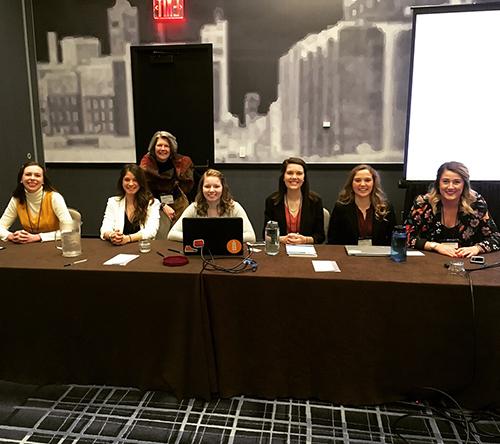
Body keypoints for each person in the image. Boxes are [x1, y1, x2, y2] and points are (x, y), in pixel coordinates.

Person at [406, 161, 500, 257]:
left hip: (464, 262)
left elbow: (496, 238)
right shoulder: (423, 203)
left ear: (464, 185)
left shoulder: (476, 204)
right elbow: (404, 237)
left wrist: (476, 248)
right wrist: (435, 246)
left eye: (457, 182)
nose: (450, 187)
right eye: (445, 181)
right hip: (429, 261)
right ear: (438, 183)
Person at [168, 169, 256, 243]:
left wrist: (222, 239)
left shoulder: (234, 207)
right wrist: (198, 239)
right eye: (207, 186)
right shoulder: (194, 207)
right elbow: (172, 234)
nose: (211, 190)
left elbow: (251, 236)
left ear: (223, 188)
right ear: (201, 188)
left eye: (216, 186)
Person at [139, 130, 195, 238]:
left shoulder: (182, 162)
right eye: (159, 145)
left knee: (181, 236)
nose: (163, 149)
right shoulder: (145, 166)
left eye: (166, 146)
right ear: (153, 147)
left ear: (171, 148)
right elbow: (144, 192)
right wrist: (162, 205)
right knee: (161, 237)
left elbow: (188, 185)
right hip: (155, 205)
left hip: (179, 203)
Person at [0, 161, 72, 243]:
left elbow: (69, 230)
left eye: (37, 175)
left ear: (43, 181)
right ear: (21, 179)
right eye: (28, 174)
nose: (32, 178)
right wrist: (11, 236)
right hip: (28, 247)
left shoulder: (54, 197)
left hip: (54, 245)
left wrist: (38, 237)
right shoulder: (17, 199)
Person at [327, 164, 396, 245]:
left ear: (374, 183)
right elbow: (333, 240)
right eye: (357, 180)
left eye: (367, 180)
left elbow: (393, 239)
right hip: (347, 255)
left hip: (378, 255)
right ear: (351, 183)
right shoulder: (341, 208)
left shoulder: (385, 208)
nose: (362, 184)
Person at [264, 157, 325, 244]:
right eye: (289, 173)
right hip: (281, 250)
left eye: (299, 173)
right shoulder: (272, 201)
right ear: (283, 177)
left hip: (306, 251)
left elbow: (320, 236)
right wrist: (282, 239)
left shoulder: (315, 201)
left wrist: (305, 240)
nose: (294, 177)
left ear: (304, 178)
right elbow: (267, 235)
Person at [100, 164, 160, 245]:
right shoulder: (113, 202)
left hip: (143, 249)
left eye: (135, 180)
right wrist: (112, 235)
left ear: (141, 182)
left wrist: (128, 239)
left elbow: (151, 231)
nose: (131, 184)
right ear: (122, 181)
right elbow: (105, 229)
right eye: (127, 180)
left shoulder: (152, 203)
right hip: (118, 249)